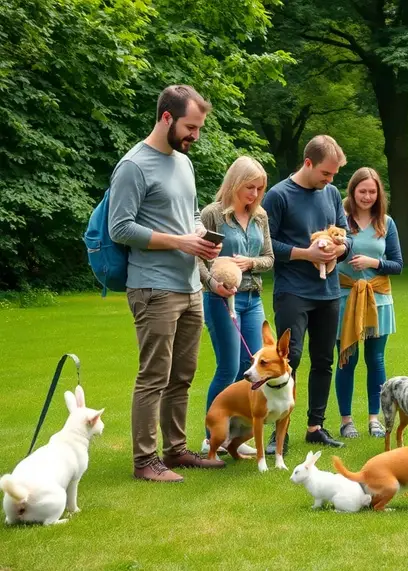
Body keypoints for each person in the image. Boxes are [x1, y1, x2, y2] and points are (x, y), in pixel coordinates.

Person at [108, 84, 225, 482]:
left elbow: (191, 214)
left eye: (199, 128)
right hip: (153, 287)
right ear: (166, 118)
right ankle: (145, 461)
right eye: (190, 127)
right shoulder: (133, 165)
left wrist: (202, 244)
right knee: (153, 376)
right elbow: (120, 227)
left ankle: (176, 451)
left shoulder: (183, 163)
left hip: (189, 285)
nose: (195, 135)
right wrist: (180, 241)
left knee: (183, 376)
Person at [262, 135, 353, 453]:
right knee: (291, 358)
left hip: (328, 291)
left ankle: (316, 426)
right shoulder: (278, 195)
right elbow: (267, 242)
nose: (330, 181)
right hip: (293, 291)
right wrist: (306, 254)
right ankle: (279, 432)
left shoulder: (330, 193)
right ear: (308, 163)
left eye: (333, 176)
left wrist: (340, 248)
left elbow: (347, 235)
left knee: (325, 360)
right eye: (326, 173)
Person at [196, 156, 274, 456]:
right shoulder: (212, 215)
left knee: (251, 368)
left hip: (253, 299)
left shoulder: (260, 217)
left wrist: (250, 262)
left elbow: (269, 258)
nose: (254, 194)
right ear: (234, 184)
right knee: (228, 368)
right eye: (249, 187)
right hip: (220, 299)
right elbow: (198, 259)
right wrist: (212, 283)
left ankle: (236, 438)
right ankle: (210, 436)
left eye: (259, 188)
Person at [334, 167, 402, 439]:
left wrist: (373, 262)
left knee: (376, 360)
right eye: (362, 191)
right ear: (352, 191)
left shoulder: (386, 222)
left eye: (372, 191)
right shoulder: (339, 220)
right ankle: (346, 420)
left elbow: (397, 264)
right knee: (346, 359)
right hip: (344, 298)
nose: (367, 196)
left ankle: (375, 418)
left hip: (378, 299)